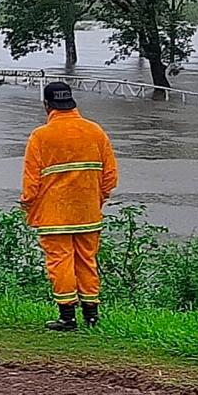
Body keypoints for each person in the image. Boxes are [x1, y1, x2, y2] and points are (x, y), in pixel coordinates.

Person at [22, 82, 118, 331]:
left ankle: (67, 316)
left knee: (60, 261)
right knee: (87, 260)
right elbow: (110, 175)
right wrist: (98, 198)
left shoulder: (41, 136)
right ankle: (92, 315)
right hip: (88, 213)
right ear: (72, 103)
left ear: (46, 106)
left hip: (54, 215)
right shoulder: (95, 131)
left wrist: (28, 204)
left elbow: (31, 182)